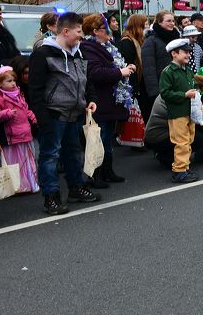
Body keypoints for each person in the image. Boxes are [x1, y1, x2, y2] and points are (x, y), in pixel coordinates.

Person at [28, 12, 100, 215]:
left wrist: (91, 99)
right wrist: (43, 120)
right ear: (66, 31)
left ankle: (76, 188)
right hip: (53, 115)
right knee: (50, 156)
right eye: (78, 31)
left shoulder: (79, 53)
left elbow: (87, 80)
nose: (81, 36)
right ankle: (51, 197)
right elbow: (35, 90)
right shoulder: (42, 54)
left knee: (73, 153)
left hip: (75, 114)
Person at [80, 14, 136, 186]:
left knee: (107, 138)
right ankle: (95, 175)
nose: (110, 30)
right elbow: (95, 73)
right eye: (105, 28)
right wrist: (121, 72)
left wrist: (125, 68)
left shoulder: (107, 46)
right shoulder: (88, 48)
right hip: (100, 101)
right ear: (96, 31)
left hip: (109, 101)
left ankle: (108, 171)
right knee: (99, 139)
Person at [145, 73, 203, 167]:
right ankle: (169, 159)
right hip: (159, 137)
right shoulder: (184, 96)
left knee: (193, 132)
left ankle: (167, 154)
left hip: (155, 133)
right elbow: (200, 118)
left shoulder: (174, 89)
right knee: (198, 139)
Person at [159, 38, 199, 183]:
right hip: (177, 113)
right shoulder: (168, 72)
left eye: (189, 52)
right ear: (174, 54)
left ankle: (185, 166)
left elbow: (192, 84)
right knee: (181, 142)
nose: (188, 55)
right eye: (185, 52)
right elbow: (165, 93)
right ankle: (179, 171)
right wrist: (184, 95)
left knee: (189, 140)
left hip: (189, 111)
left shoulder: (187, 70)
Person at [0, 66, 38, 193]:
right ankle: (17, 187)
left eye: (14, 80)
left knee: (26, 161)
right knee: (14, 162)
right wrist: (6, 113)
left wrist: (31, 115)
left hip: (24, 132)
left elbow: (25, 109)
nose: (13, 83)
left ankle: (29, 184)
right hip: (12, 136)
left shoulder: (19, 95)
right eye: (9, 81)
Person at [141, 11, 180, 121]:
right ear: (159, 22)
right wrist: (155, 94)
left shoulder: (176, 39)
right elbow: (149, 70)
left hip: (175, 87)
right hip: (160, 89)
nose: (172, 23)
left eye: (173, 21)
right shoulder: (151, 41)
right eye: (168, 21)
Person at [118, 14, 148, 105]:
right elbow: (128, 66)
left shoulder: (140, 41)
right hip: (134, 89)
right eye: (145, 25)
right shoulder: (127, 42)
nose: (147, 27)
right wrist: (135, 90)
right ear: (138, 26)